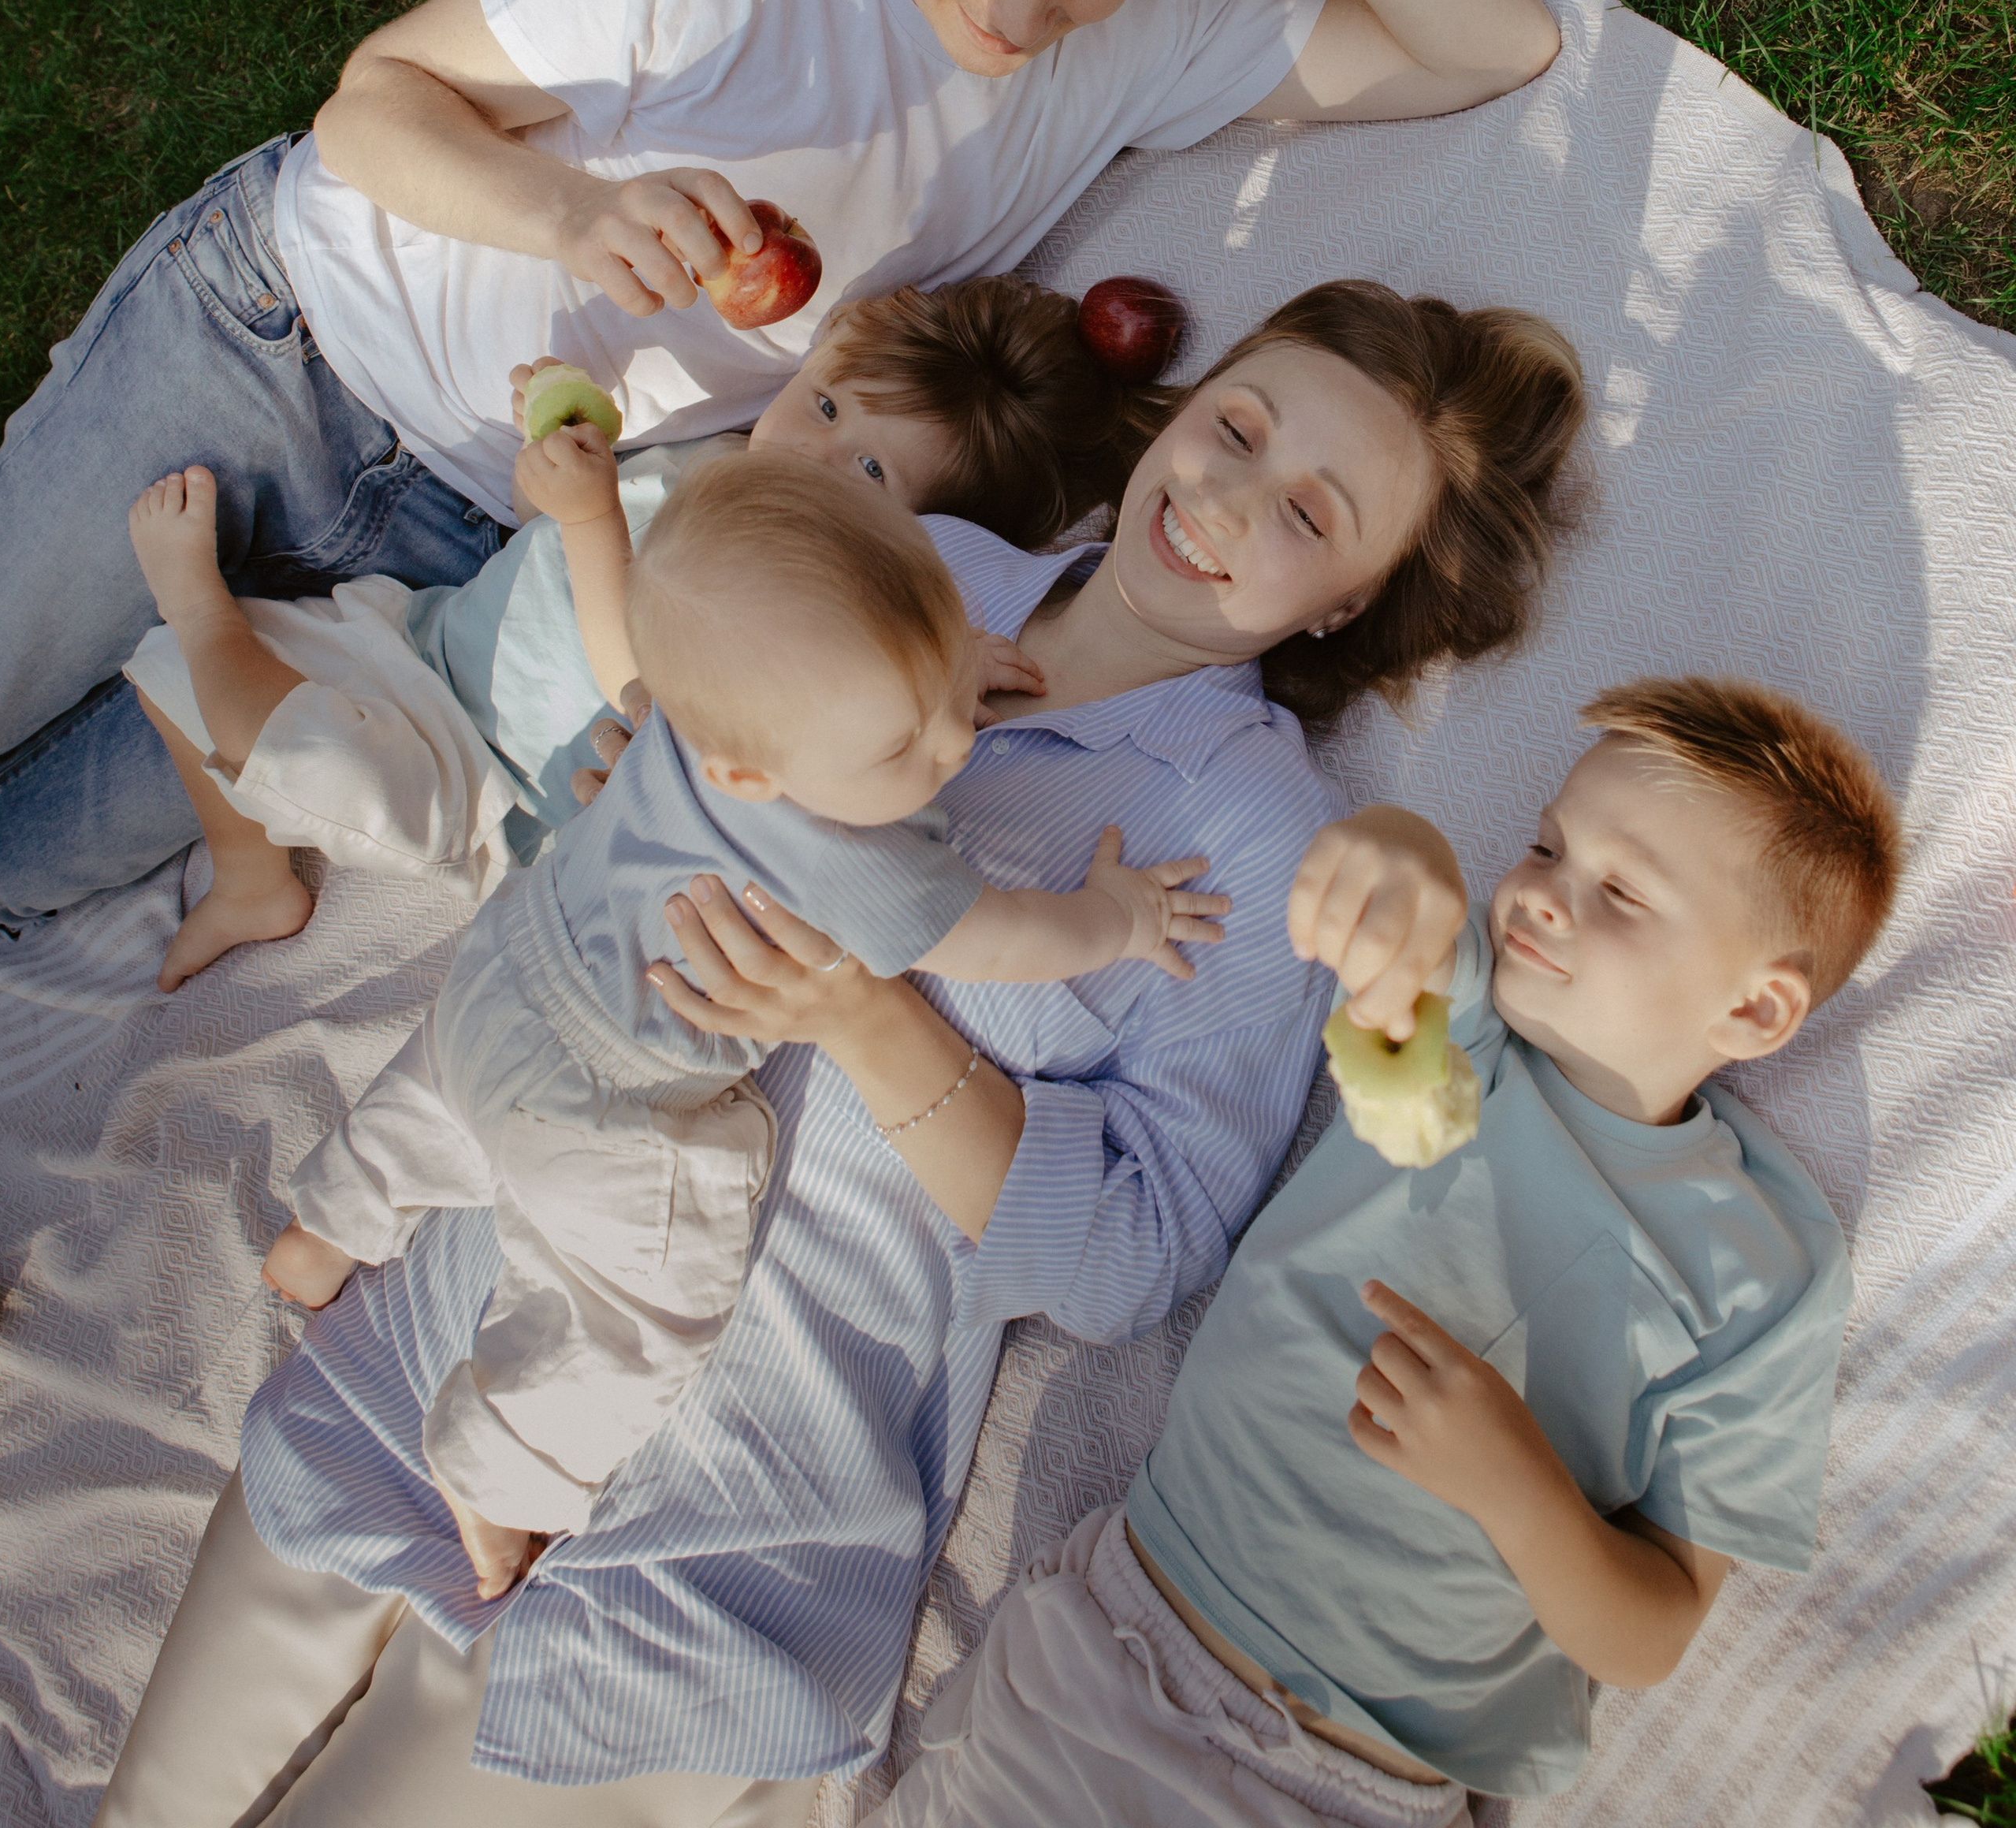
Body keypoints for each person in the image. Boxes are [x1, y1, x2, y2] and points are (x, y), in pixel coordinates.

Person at [95, 280, 1586, 1828]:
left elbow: (1130, 1259)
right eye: (1237, 427)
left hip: (725, 1518)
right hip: (471, 1318)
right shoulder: (913, 559)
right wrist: (635, 775)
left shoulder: (1260, 851)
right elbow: (664, 728)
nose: (1223, 497)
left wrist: (867, 1017)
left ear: (1347, 602)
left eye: (1308, 515)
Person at [0, 0, 1561, 919]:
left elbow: (1492, 41)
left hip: (461, 544)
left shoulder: (1148, 31)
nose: (1015, 20)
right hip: (282, 340)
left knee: (31, 863)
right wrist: (568, 216)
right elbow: (369, 111)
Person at [878, 677, 1902, 1828]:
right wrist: (1396, 852)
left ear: (1756, 1012)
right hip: (1114, 1663)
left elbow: (1651, 1633)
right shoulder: (1466, 1037)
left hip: (1354, 1787)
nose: (1541, 893)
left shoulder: (1766, 1273)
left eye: (1619, 891)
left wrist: (1517, 1487)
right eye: (1546, 846)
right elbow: (1394, 920)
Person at [241, 454, 1224, 1604]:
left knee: (435, 1103)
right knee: (640, 1305)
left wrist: (947, 668)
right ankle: (499, 1467)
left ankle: (327, 1228)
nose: (957, 746)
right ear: (751, 777)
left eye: (947, 688)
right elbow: (999, 937)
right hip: (606, 1100)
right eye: (903, 746)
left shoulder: (701, 702)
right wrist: (1116, 918)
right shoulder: (849, 853)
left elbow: (818, 661)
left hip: (505, 967)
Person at [117, 276, 1162, 987]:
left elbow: (645, 689)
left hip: (491, 783)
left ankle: (197, 607)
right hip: (418, 641)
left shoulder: (798, 605)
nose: (814, 456)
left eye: (872, 473)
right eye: (826, 408)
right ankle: (250, 874)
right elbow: (543, 547)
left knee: (300, 746)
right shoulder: (722, 463)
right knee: (176, 681)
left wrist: (943, 657)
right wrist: (558, 457)